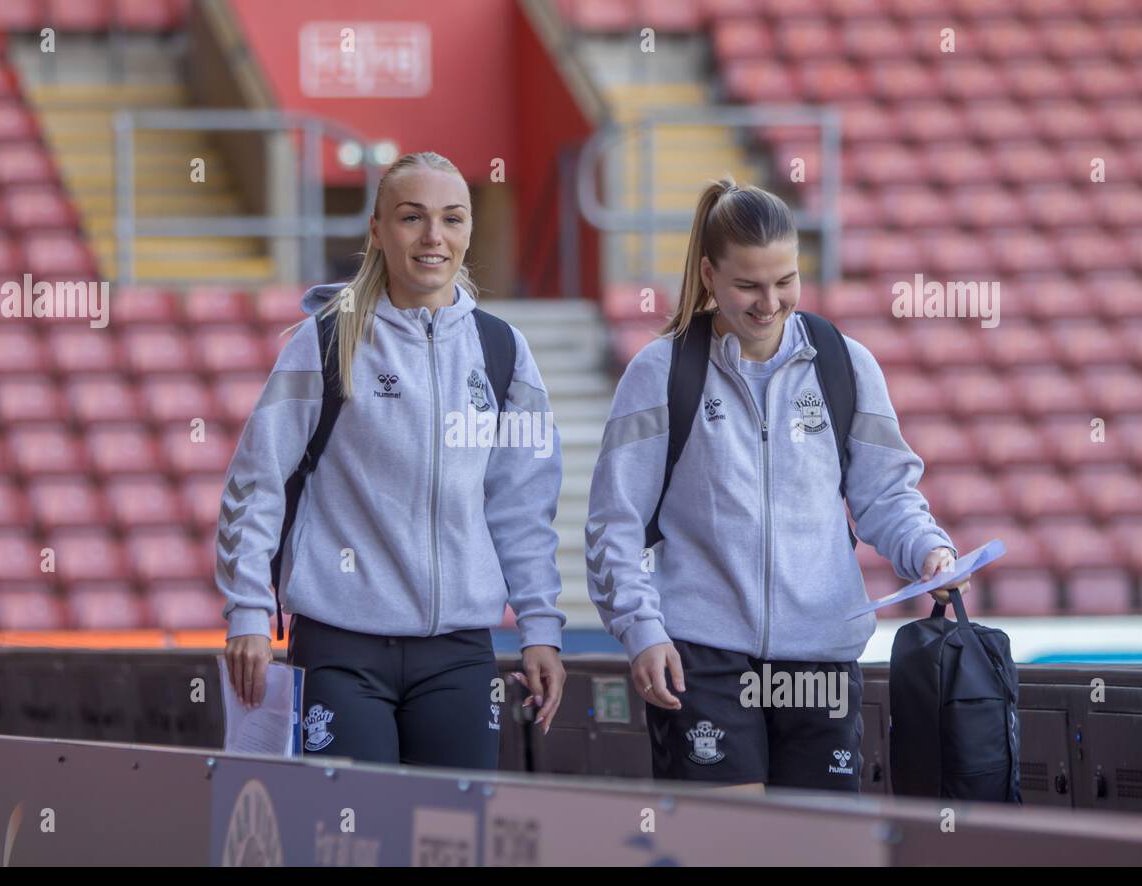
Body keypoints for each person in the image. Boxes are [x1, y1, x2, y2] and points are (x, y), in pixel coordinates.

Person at [585, 177, 970, 792]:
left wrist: (928, 550)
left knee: (816, 847)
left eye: (785, 281)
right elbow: (614, 521)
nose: (770, 302)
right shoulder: (660, 372)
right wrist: (641, 629)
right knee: (729, 849)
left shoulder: (845, 363)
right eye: (748, 286)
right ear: (709, 275)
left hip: (821, 653)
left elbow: (886, 496)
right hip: (702, 656)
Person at [214, 151, 565, 771]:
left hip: (459, 653)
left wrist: (540, 626)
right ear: (377, 229)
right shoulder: (325, 340)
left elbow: (523, 507)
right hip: (341, 648)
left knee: (453, 841)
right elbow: (256, 481)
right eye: (412, 218)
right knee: (352, 838)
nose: (434, 237)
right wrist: (246, 610)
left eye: (452, 219)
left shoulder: (504, 350)